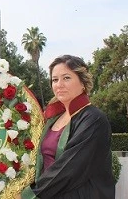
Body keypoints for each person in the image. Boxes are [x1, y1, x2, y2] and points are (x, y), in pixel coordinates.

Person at [21, 55, 115, 199]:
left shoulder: (93, 119)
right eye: (55, 79)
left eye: (66, 78)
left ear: (83, 83)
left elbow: (70, 167)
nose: (59, 84)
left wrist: (30, 194)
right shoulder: (53, 118)